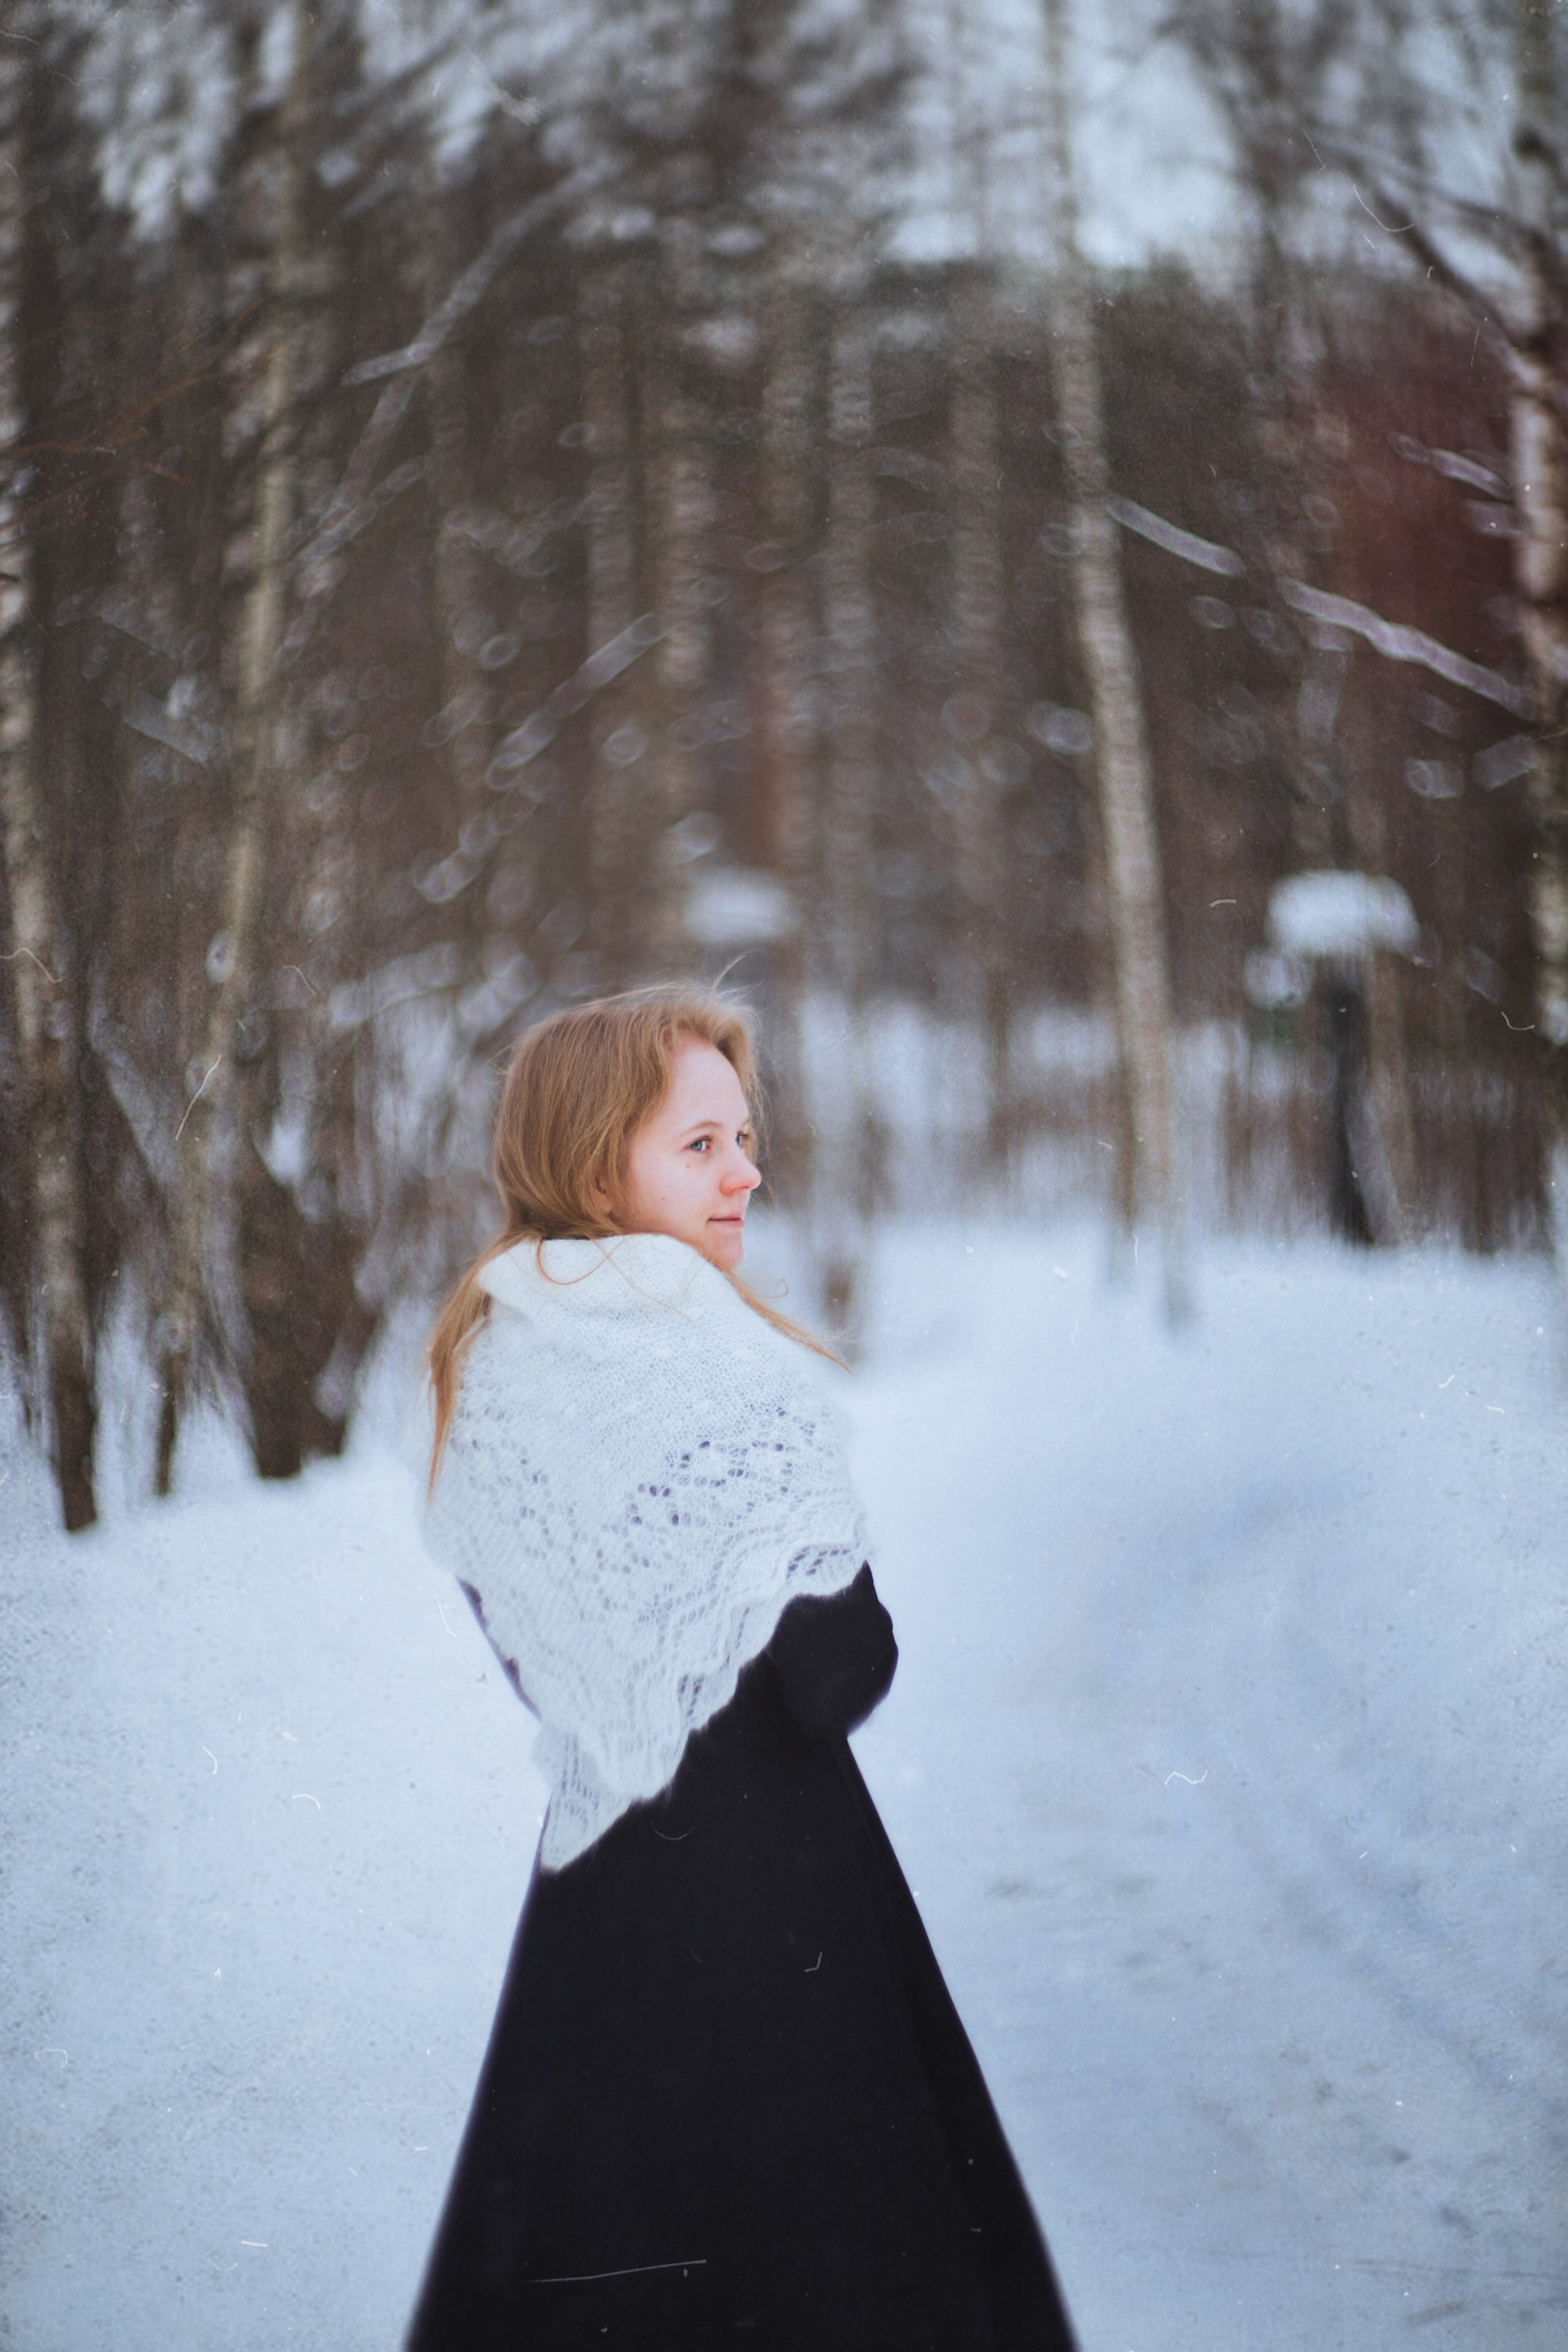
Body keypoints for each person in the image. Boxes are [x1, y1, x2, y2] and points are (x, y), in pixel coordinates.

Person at [408, 989, 1078, 2351]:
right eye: (701, 1145)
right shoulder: (714, 1364)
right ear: (602, 1166)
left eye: (744, 1138)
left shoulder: (488, 1357)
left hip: (597, 1930)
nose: (746, 1173)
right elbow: (839, 1675)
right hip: (784, 1920)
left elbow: (549, 1663)